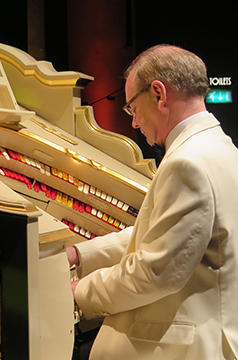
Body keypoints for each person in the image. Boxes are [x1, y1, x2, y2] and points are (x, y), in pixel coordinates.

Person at [67, 44, 238, 360]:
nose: (133, 123)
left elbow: (155, 272)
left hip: (186, 346)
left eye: (132, 107)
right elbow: (166, 237)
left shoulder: (187, 163)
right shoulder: (220, 145)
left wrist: (79, 293)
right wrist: (80, 254)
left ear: (159, 93)